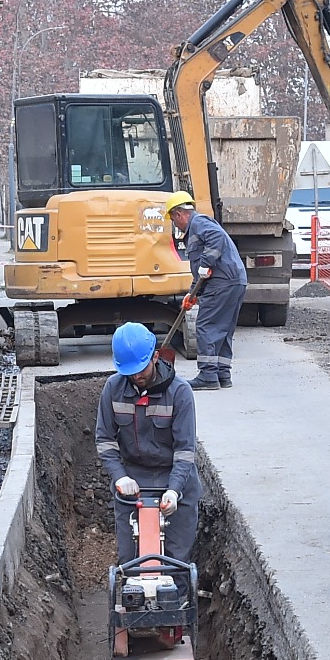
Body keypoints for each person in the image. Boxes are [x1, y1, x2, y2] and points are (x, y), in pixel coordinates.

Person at [95, 321, 199, 563]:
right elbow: (105, 440)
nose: (136, 375)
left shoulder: (179, 392)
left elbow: (185, 450)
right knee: (130, 560)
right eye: (130, 371)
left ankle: (180, 599)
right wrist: (119, 476)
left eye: (141, 368)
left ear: (154, 356)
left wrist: (174, 491)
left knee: (177, 560)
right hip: (132, 481)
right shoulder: (113, 388)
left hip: (175, 481)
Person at [166, 190, 245, 390]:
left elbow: (215, 239)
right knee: (223, 328)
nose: (175, 225)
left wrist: (207, 261)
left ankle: (208, 376)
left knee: (206, 326)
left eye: (174, 220)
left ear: (179, 214)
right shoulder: (197, 227)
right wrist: (192, 294)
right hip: (233, 281)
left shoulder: (199, 223)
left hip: (223, 283)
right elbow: (201, 273)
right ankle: (222, 374)